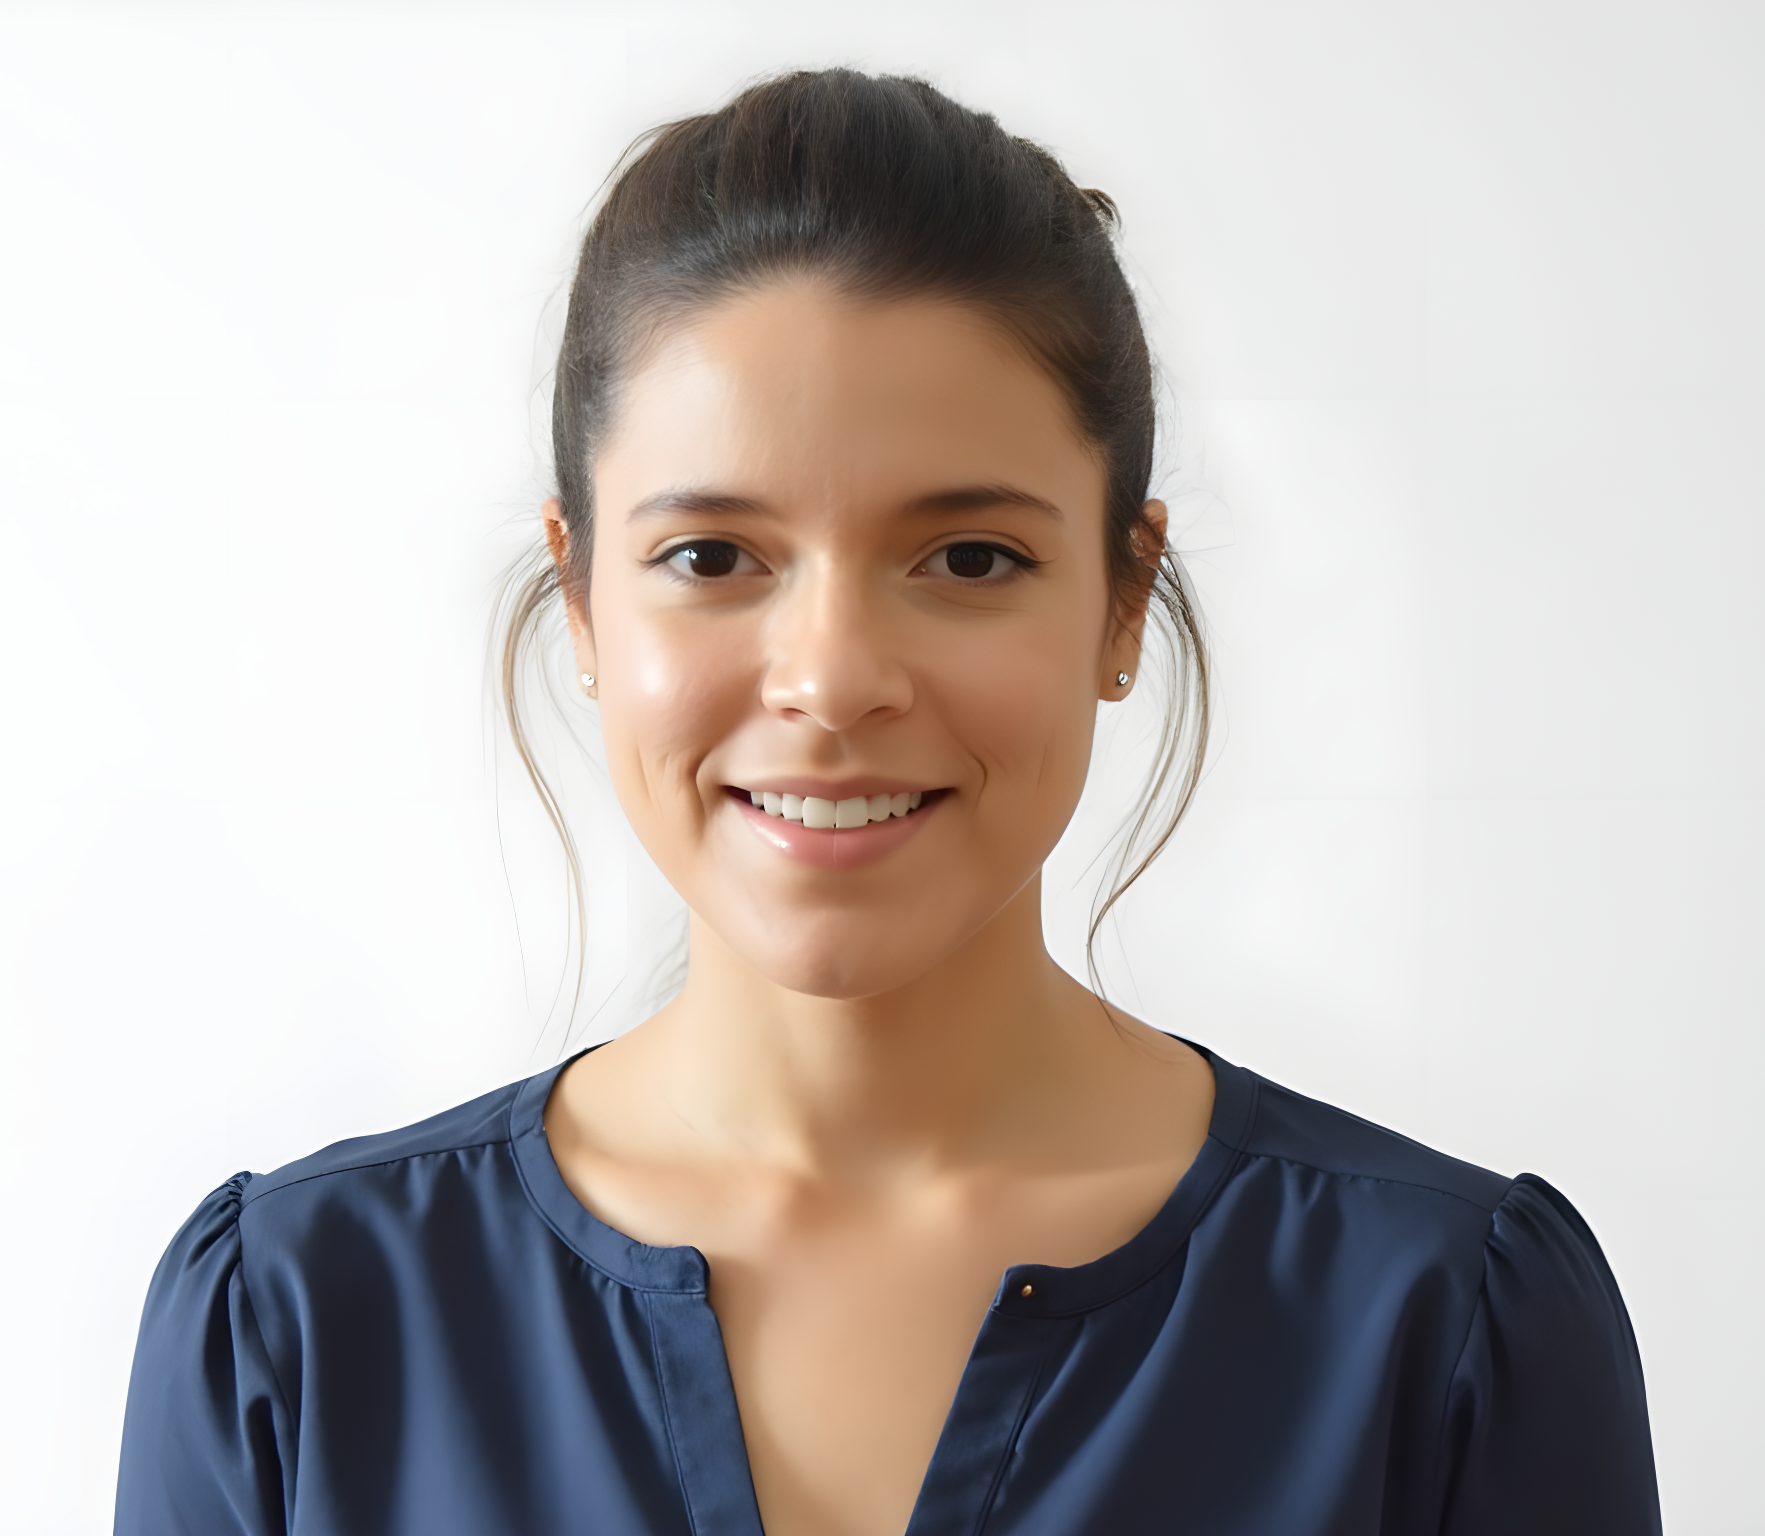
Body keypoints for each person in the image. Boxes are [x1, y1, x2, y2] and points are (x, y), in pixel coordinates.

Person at [114, 69, 1660, 1536]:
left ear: (1126, 601)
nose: (833, 678)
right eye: (713, 557)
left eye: (970, 558)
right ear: (581, 602)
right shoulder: (296, 1325)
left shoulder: (1446, 1322)